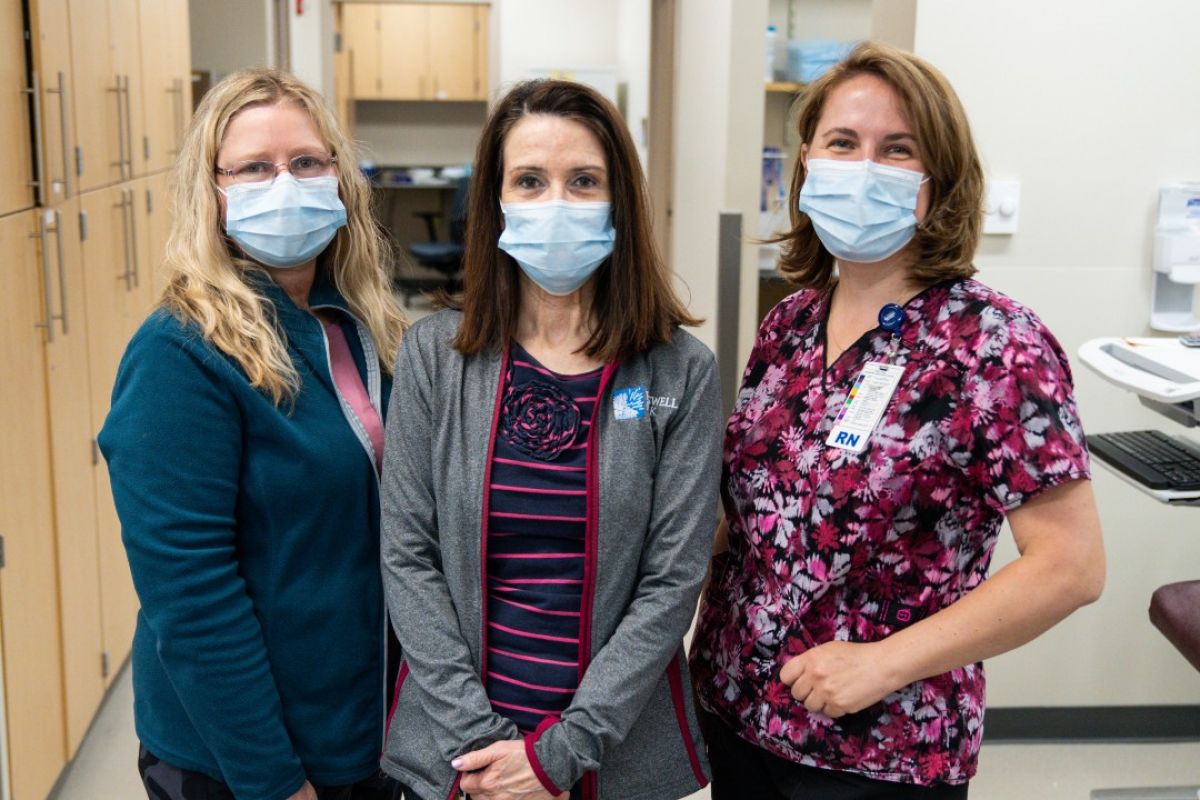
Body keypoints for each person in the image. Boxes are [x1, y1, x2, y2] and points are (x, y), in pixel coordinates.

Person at [689, 42, 1106, 799]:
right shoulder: (789, 324)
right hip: (737, 714)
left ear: (935, 181)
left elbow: (1070, 567)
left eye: (897, 149)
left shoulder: (995, 344)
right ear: (807, 161)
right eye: (843, 143)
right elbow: (747, 512)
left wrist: (885, 662)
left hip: (881, 748)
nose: (863, 165)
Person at [378, 79, 721, 800]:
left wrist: (559, 755)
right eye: (529, 180)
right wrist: (483, 746)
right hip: (459, 757)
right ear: (494, 201)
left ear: (619, 199)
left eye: (584, 181)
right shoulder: (434, 358)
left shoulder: (680, 371)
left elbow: (672, 581)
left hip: (612, 752)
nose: (556, 202)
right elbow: (408, 557)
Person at [99, 68, 408, 800]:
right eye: (254, 168)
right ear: (212, 191)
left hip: (360, 728)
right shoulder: (179, 353)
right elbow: (192, 599)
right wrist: (274, 783)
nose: (285, 184)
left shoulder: (360, 328)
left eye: (306, 163)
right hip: (247, 760)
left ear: (340, 180)